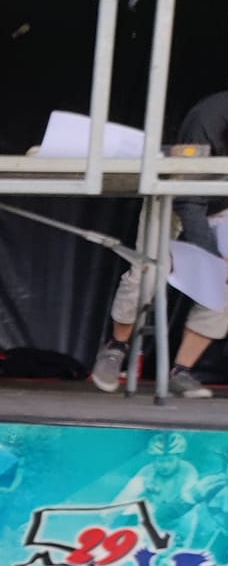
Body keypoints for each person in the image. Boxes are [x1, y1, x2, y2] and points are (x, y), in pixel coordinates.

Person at [91, 88, 228, 398]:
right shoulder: (210, 117)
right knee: (149, 271)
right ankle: (116, 347)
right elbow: (189, 202)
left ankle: (181, 370)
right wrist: (214, 258)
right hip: (174, 194)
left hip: (222, 202)